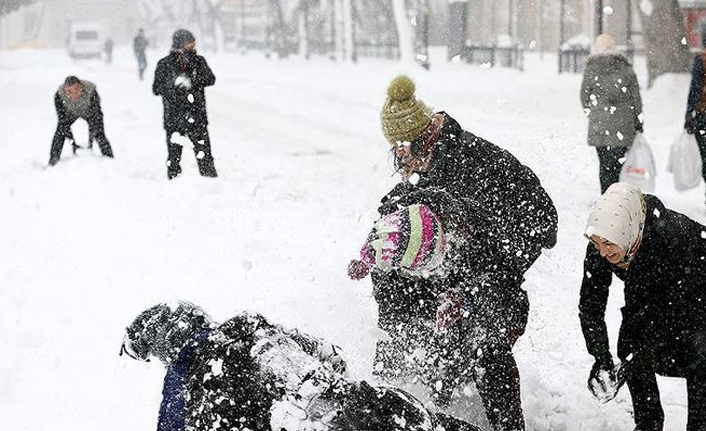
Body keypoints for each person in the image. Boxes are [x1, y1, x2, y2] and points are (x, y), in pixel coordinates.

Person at [356, 75, 558, 431]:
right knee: (408, 319)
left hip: (505, 255)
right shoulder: (432, 165)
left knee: (484, 342)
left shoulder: (470, 167)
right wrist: (376, 249)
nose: (400, 160)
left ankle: (507, 424)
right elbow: (401, 214)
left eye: (402, 150)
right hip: (463, 257)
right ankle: (405, 402)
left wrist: (465, 294)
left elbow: (535, 229)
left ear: (422, 140)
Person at [120, 302, 481, 431]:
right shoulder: (246, 325)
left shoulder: (188, 391)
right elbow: (326, 352)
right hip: (340, 401)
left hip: (309, 411)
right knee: (393, 414)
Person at [579, 182, 706, 431]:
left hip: (695, 291)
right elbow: (590, 305)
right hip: (659, 292)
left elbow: (666, 311)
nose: (603, 252)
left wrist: (643, 350)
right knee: (630, 344)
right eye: (596, 243)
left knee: (698, 353)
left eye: (607, 243)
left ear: (627, 232)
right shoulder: (604, 239)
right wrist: (601, 357)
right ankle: (648, 423)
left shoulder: (671, 238)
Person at [580, 34, 644, 194]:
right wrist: (638, 120)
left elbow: (584, 96)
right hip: (623, 123)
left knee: (604, 164)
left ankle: (605, 196)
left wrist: (593, 113)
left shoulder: (591, 68)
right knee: (617, 165)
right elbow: (636, 98)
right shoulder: (626, 68)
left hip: (600, 124)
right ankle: (616, 196)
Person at [153, 29, 218, 180]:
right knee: (174, 158)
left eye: (193, 41)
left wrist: (192, 82)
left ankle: (211, 185)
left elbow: (210, 79)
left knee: (204, 156)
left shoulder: (199, 61)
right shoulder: (164, 64)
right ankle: (174, 186)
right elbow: (156, 88)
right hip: (174, 118)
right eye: (190, 41)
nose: (193, 44)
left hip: (197, 117)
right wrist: (173, 85)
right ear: (180, 43)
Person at [49, 75, 114, 166]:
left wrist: (91, 140)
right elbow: (62, 121)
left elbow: (97, 116)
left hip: (89, 111)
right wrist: (73, 143)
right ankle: (53, 161)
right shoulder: (59, 96)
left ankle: (109, 159)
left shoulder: (91, 91)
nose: (73, 94)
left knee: (99, 133)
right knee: (60, 132)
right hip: (70, 113)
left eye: (76, 90)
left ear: (81, 87)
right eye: (69, 91)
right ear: (64, 90)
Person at [684, 31, 706, 203]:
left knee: (705, 157)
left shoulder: (702, 60)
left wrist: (689, 114)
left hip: (703, 115)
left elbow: (695, 89)